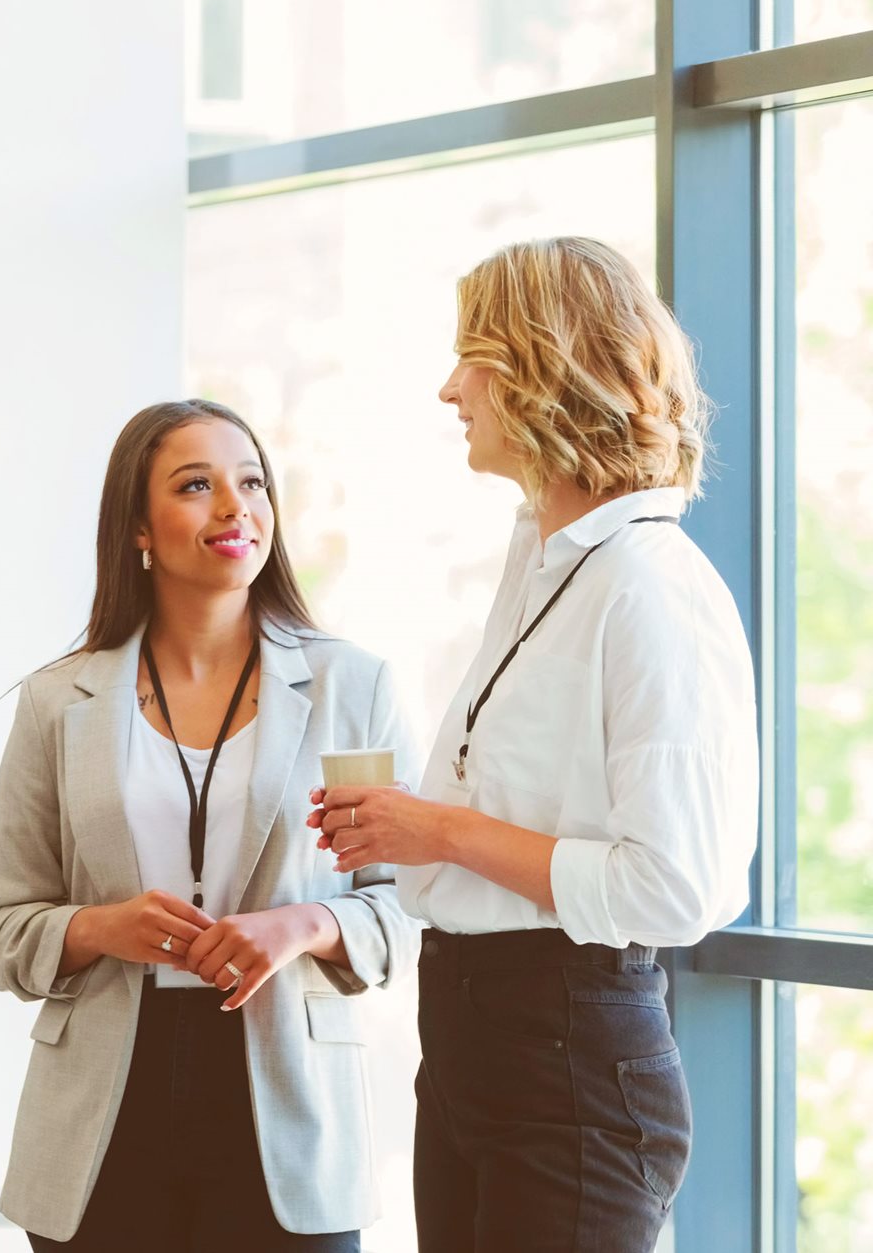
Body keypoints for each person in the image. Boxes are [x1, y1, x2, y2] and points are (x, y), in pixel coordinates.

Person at [311, 236, 757, 1252]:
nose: (445, 387)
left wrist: (444, 832)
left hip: (566, 1052)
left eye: (470, 352)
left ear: (537, 367)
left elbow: (675, 888)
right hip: (472, 1034)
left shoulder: (647, 584)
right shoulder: (545, 565)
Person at [0, 400, 417, 1250]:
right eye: (195, 485)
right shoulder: (57, 701)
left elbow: (408, 902)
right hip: (104, 1108)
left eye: (250, 481)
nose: (233, 506)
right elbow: (1, 925)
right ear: (138, 526)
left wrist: (306, 922)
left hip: (286, 1096)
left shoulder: (352, 688)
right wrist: (103, 927)